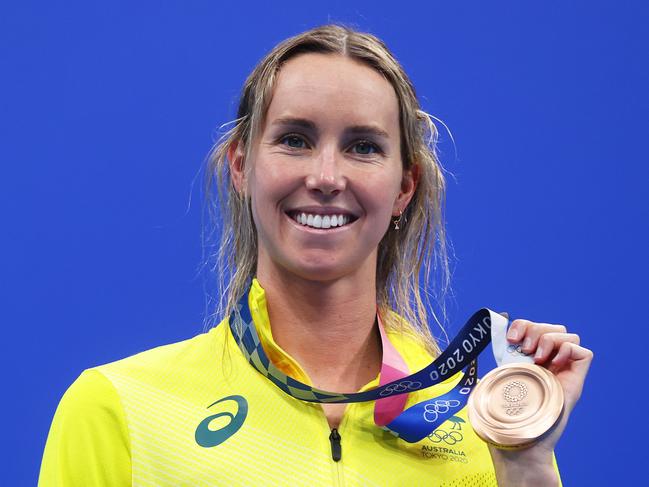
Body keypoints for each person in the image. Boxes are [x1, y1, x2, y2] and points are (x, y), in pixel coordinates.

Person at [39, 24, 593, 486]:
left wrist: (526, 465)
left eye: (363, 147)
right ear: (240, 166)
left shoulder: (484, 424)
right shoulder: (123, 409)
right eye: (295, 139)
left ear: (404, 187)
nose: (326, 177)